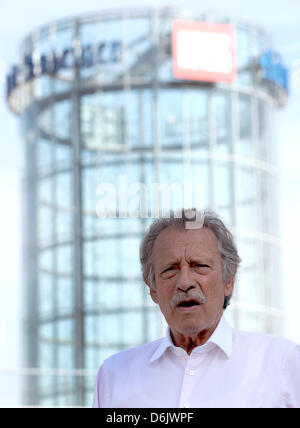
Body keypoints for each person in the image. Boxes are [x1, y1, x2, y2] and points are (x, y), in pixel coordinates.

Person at [93, 209, 300, 408]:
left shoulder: (282, 362)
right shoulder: (114, 376)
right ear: (152, 289)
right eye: (170, 269)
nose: (185, 282)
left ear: (229, 280)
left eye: (199, 265)